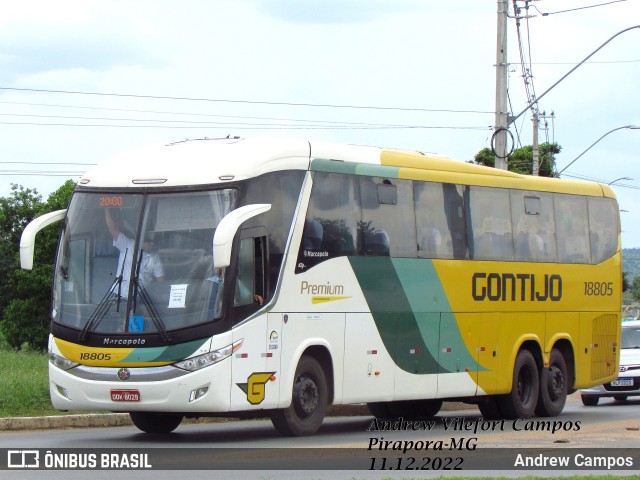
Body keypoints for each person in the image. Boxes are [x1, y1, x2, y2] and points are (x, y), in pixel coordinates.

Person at [105, 209, 165, 297]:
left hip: (142, 299)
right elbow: (112, 228)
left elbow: (161, 282)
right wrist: (106, 208)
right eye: (148, 241)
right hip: (121, 296)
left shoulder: (154, 258)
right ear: (141, 240)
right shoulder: (127, 244)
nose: (151, 244)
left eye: (153, 242)